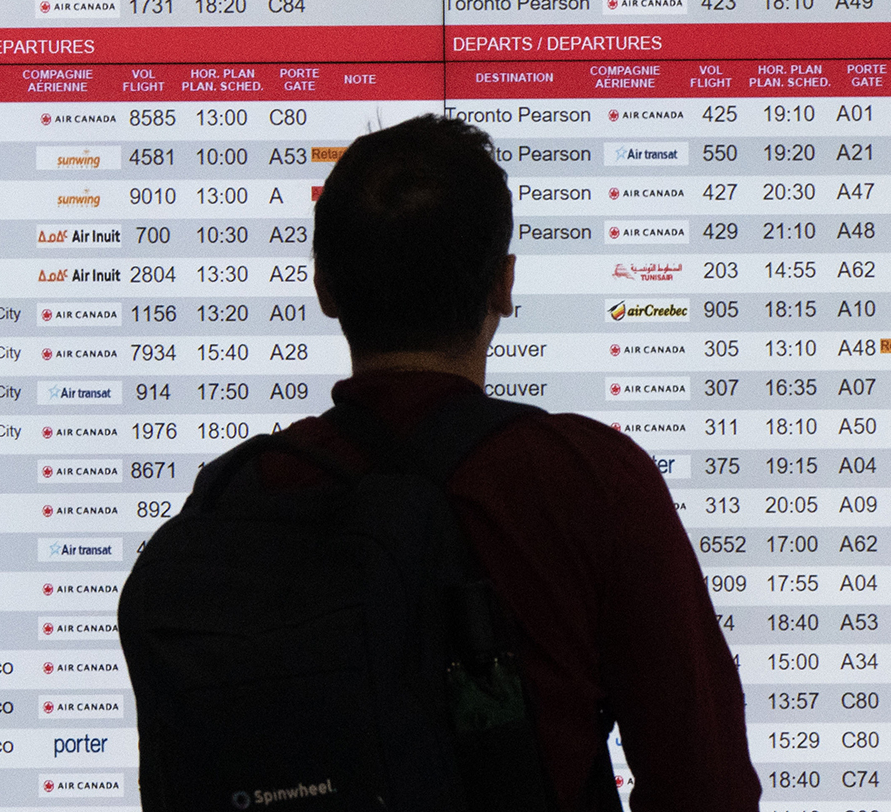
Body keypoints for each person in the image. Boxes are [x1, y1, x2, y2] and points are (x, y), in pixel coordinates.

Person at [121, 115, 759, 811]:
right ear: (502, 286)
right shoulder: (586, 481)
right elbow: (706, 786)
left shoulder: (238, 494)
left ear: (324, 290)